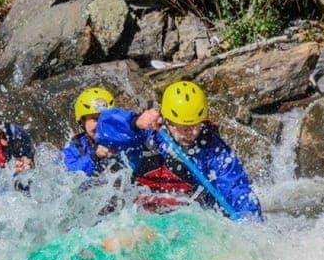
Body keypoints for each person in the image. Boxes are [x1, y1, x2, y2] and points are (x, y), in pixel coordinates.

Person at [94, 80, 263, 219]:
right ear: (167, 120)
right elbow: (104, 130)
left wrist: (251, 225)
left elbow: (237, 191)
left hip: (187, 223)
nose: (190, 132)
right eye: (182, 126)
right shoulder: (146, 134)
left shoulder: (213, 151)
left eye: (195, 125)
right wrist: (134, 123)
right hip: (136, 215)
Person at [62, 87, 123, 176]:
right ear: (82, 122)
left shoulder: (123, 134)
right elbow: (66, 174)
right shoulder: (74, 148)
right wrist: (95, 156)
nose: (102, 124)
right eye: (95, 119)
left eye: (107, 118)